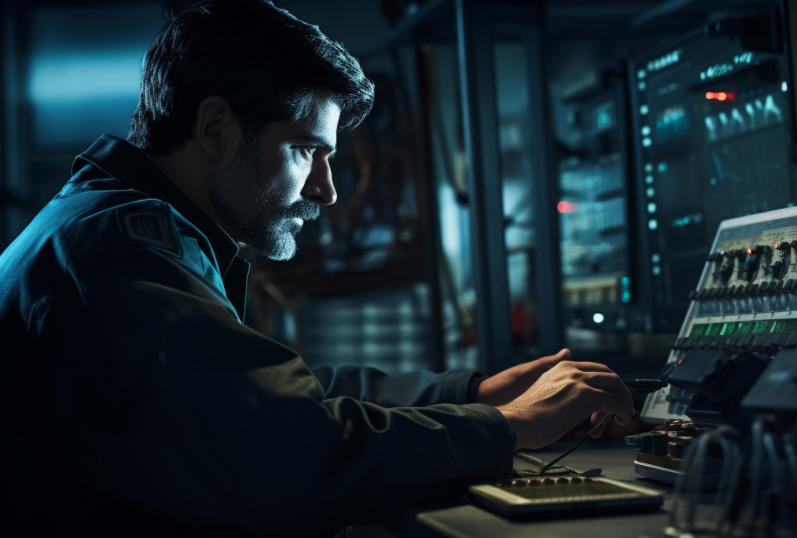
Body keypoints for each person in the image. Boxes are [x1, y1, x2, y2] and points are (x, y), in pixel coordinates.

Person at [0, 0, 635, 535]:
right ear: (218, 129)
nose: (328, 191)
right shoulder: (118, 245)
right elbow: (288, 444)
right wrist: (509, 426)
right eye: (307, 150)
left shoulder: (106, 223)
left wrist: (468, 394)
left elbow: (260, 393)